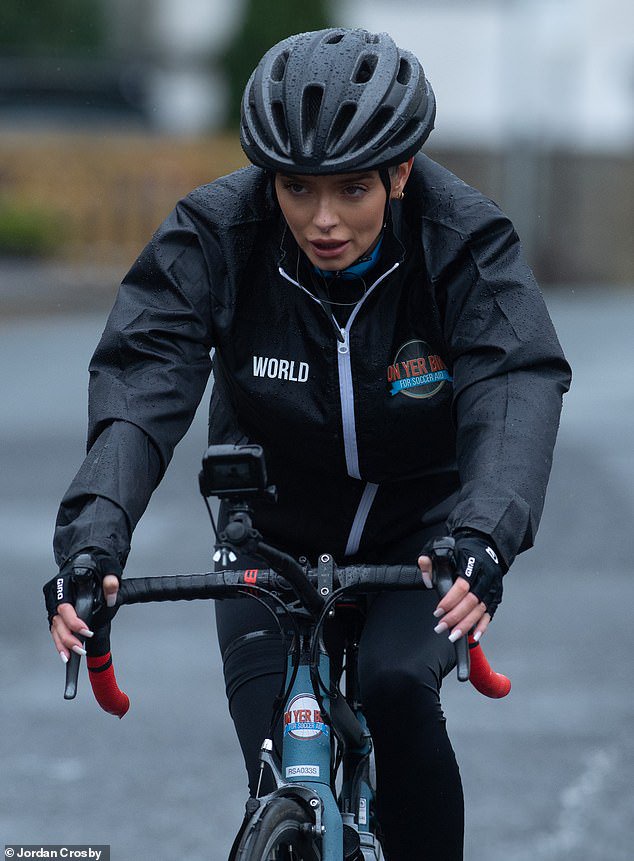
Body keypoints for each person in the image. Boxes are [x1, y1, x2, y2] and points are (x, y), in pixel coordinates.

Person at [44, 28, 571, 860]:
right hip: (269, 531)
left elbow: (515, 381)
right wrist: (92, 542)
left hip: (422, 535)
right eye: (296, 188)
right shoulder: (217, 234)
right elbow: (142, 385)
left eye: (353, 189)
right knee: (278, 776)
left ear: (399, 173)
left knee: (398, 689)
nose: (322, 219)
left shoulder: (461, 237)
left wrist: (485, 535)